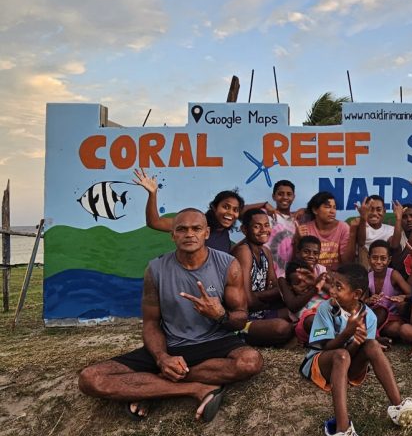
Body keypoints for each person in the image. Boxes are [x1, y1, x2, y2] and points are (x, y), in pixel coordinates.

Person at [77, 209, 262, 422]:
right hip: (172, 344)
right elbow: (151, 323)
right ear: (173, 235)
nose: (189, 234)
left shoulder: (228, 265)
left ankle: (154, 385)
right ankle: (195, 389)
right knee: (90, 379)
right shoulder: (155, 269)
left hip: (215, 341)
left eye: (196, 229)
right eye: (182, 229)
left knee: (251, 362)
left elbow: (241, 317)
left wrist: (220, 315)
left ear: (207, 233)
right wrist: (162, 358)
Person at [299, 263, 412, 436]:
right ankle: (341, 430)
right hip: (321, 363)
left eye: (339, 287)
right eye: (333, 285)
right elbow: (326, 347)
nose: (332, 290)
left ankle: (398, 406)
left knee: (371, 345)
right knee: (341, 354)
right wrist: (347, 332)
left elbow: (358, 349)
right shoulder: (326, 309)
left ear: (356, 294)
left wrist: (357, 341)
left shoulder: (369, 316)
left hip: (347, 366)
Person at [133, 168, 244, 254]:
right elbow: (154, 222)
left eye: (235, 210)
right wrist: (152, 193)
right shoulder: (196, 223)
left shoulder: (224, 234)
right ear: (214, 207)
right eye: (226, 207)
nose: (230, 213)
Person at [232, 209, 294, 347]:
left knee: (299, 312)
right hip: (244, 317)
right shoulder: (244, 251)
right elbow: (247, 300)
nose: (263, 230)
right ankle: (242, 335)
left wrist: (258, 296)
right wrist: (263, 299)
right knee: (281, 328)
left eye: (266, 225)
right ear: (244, 229)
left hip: (261, 311)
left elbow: (275, 287)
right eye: (256, 226)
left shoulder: (265, 251)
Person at [296, 192, 355, 270]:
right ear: (315, 210)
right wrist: (298, 239)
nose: (332, 211)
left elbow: (347, 262)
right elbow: (298, 260)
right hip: (312, 276)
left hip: (336, 277)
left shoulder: (343, 228)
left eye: (334, 207)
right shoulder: (305, 229)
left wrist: (353, 233)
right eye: (328, 207)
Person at [367, 240, 411, 343]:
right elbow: (362, 300)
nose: (378, 262)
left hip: (392, 317)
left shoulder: (393, 274)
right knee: (379, 312)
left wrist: (402, 297)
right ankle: (375, 336)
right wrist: (369, 300)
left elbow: (411, 293)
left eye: (383, 258)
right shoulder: (368, 276)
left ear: (389, 260)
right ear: (368, 259)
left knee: (395, 329)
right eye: (374, 258)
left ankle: (373, 334)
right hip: (376, 316)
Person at [390, 204, 412, 278]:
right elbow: (396, 265)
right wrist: (411, 241)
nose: (409, 219)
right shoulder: (396, 239)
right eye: (404, 217)